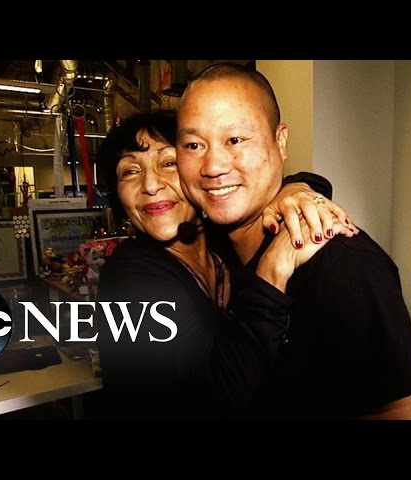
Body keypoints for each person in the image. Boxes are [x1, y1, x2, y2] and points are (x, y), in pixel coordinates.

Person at [176, 62, 411, 419]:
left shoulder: (343, 264)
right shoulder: (210, 249)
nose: (213, 166)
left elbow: (393, 409)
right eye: (194, 144)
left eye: (235, 140)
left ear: (280, 141)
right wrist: (299, 186)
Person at [94, 110, 355, 418]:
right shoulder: (128, 278)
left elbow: (277, 187)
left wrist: (297, 190)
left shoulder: (223, 245)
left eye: (169, 163)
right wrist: (271, 273)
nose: (150, 185)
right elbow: (218, 396)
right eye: (130, 171)